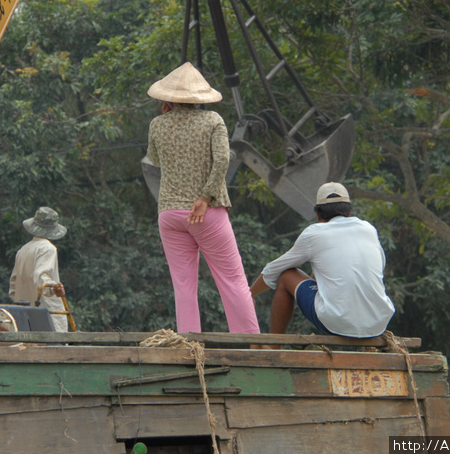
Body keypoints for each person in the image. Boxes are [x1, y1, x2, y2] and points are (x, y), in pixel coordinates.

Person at [146, 62, 260, 335]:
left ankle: (190, 343)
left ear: (170, 97)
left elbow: (155, 159)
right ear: (199, 98)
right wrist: (205, 197)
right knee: (232, 280)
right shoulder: (213, 120)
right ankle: (252, 344)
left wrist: (167, 121)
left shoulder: (157, 124)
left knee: (183, 285)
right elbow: (223, 159)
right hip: (206, 213)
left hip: (169, 214)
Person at [250, 182, 395, 341]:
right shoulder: (369, 229)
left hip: (337, 322)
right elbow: (377, 267)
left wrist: (249, 295)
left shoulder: (314, 233)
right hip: (378, 322)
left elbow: (273, 270)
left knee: (286, 275)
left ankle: (274, 345)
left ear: (318, 215)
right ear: (349, 211)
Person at [9, 206, 70, 332]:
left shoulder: (23, 250)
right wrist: (55, 288)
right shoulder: (48, 249)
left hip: (24, 319)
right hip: (47, 316)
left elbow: (13, 288)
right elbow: (41, 277)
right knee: (56, 348)